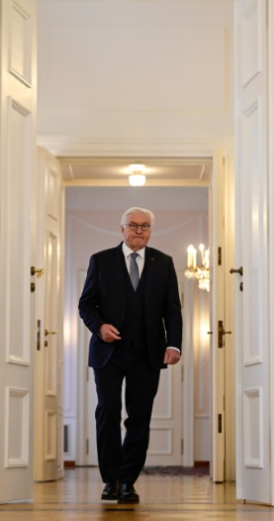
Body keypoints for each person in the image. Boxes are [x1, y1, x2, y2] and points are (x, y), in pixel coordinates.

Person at [78, 207, 183, 503]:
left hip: (147, 354)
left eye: (145, 226)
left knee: (139, 418)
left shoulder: (163, 263)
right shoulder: (101, 261)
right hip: (109, 353)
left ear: (150, 230)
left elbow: (172, 310)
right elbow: (86, 305)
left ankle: (128, 481)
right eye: (133, 225)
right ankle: (110, 480)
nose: (139, 230)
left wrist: (174, 345)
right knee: (108, 411)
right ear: (121, 228)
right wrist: (100, 328)